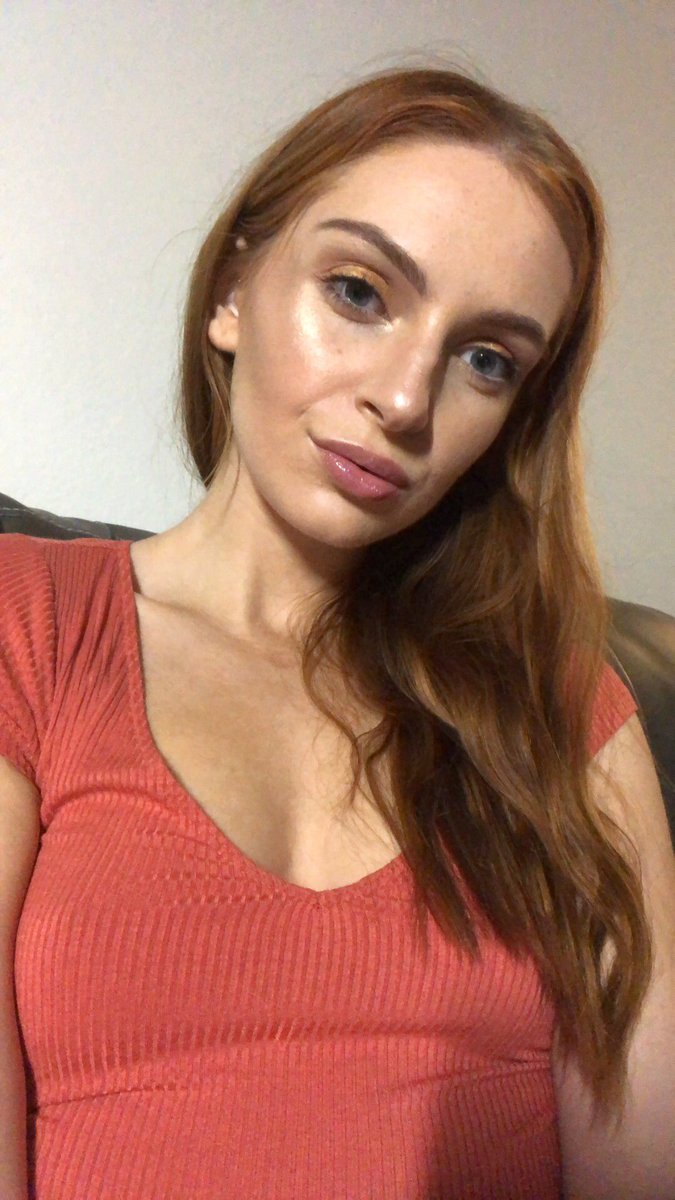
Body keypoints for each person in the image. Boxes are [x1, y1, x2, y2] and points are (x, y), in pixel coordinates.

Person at [1, 63, 673, 1200]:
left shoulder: (563, 710)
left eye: (487, 360)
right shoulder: (30, 625)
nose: (405, 399)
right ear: (232, 291)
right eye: (360, 292)